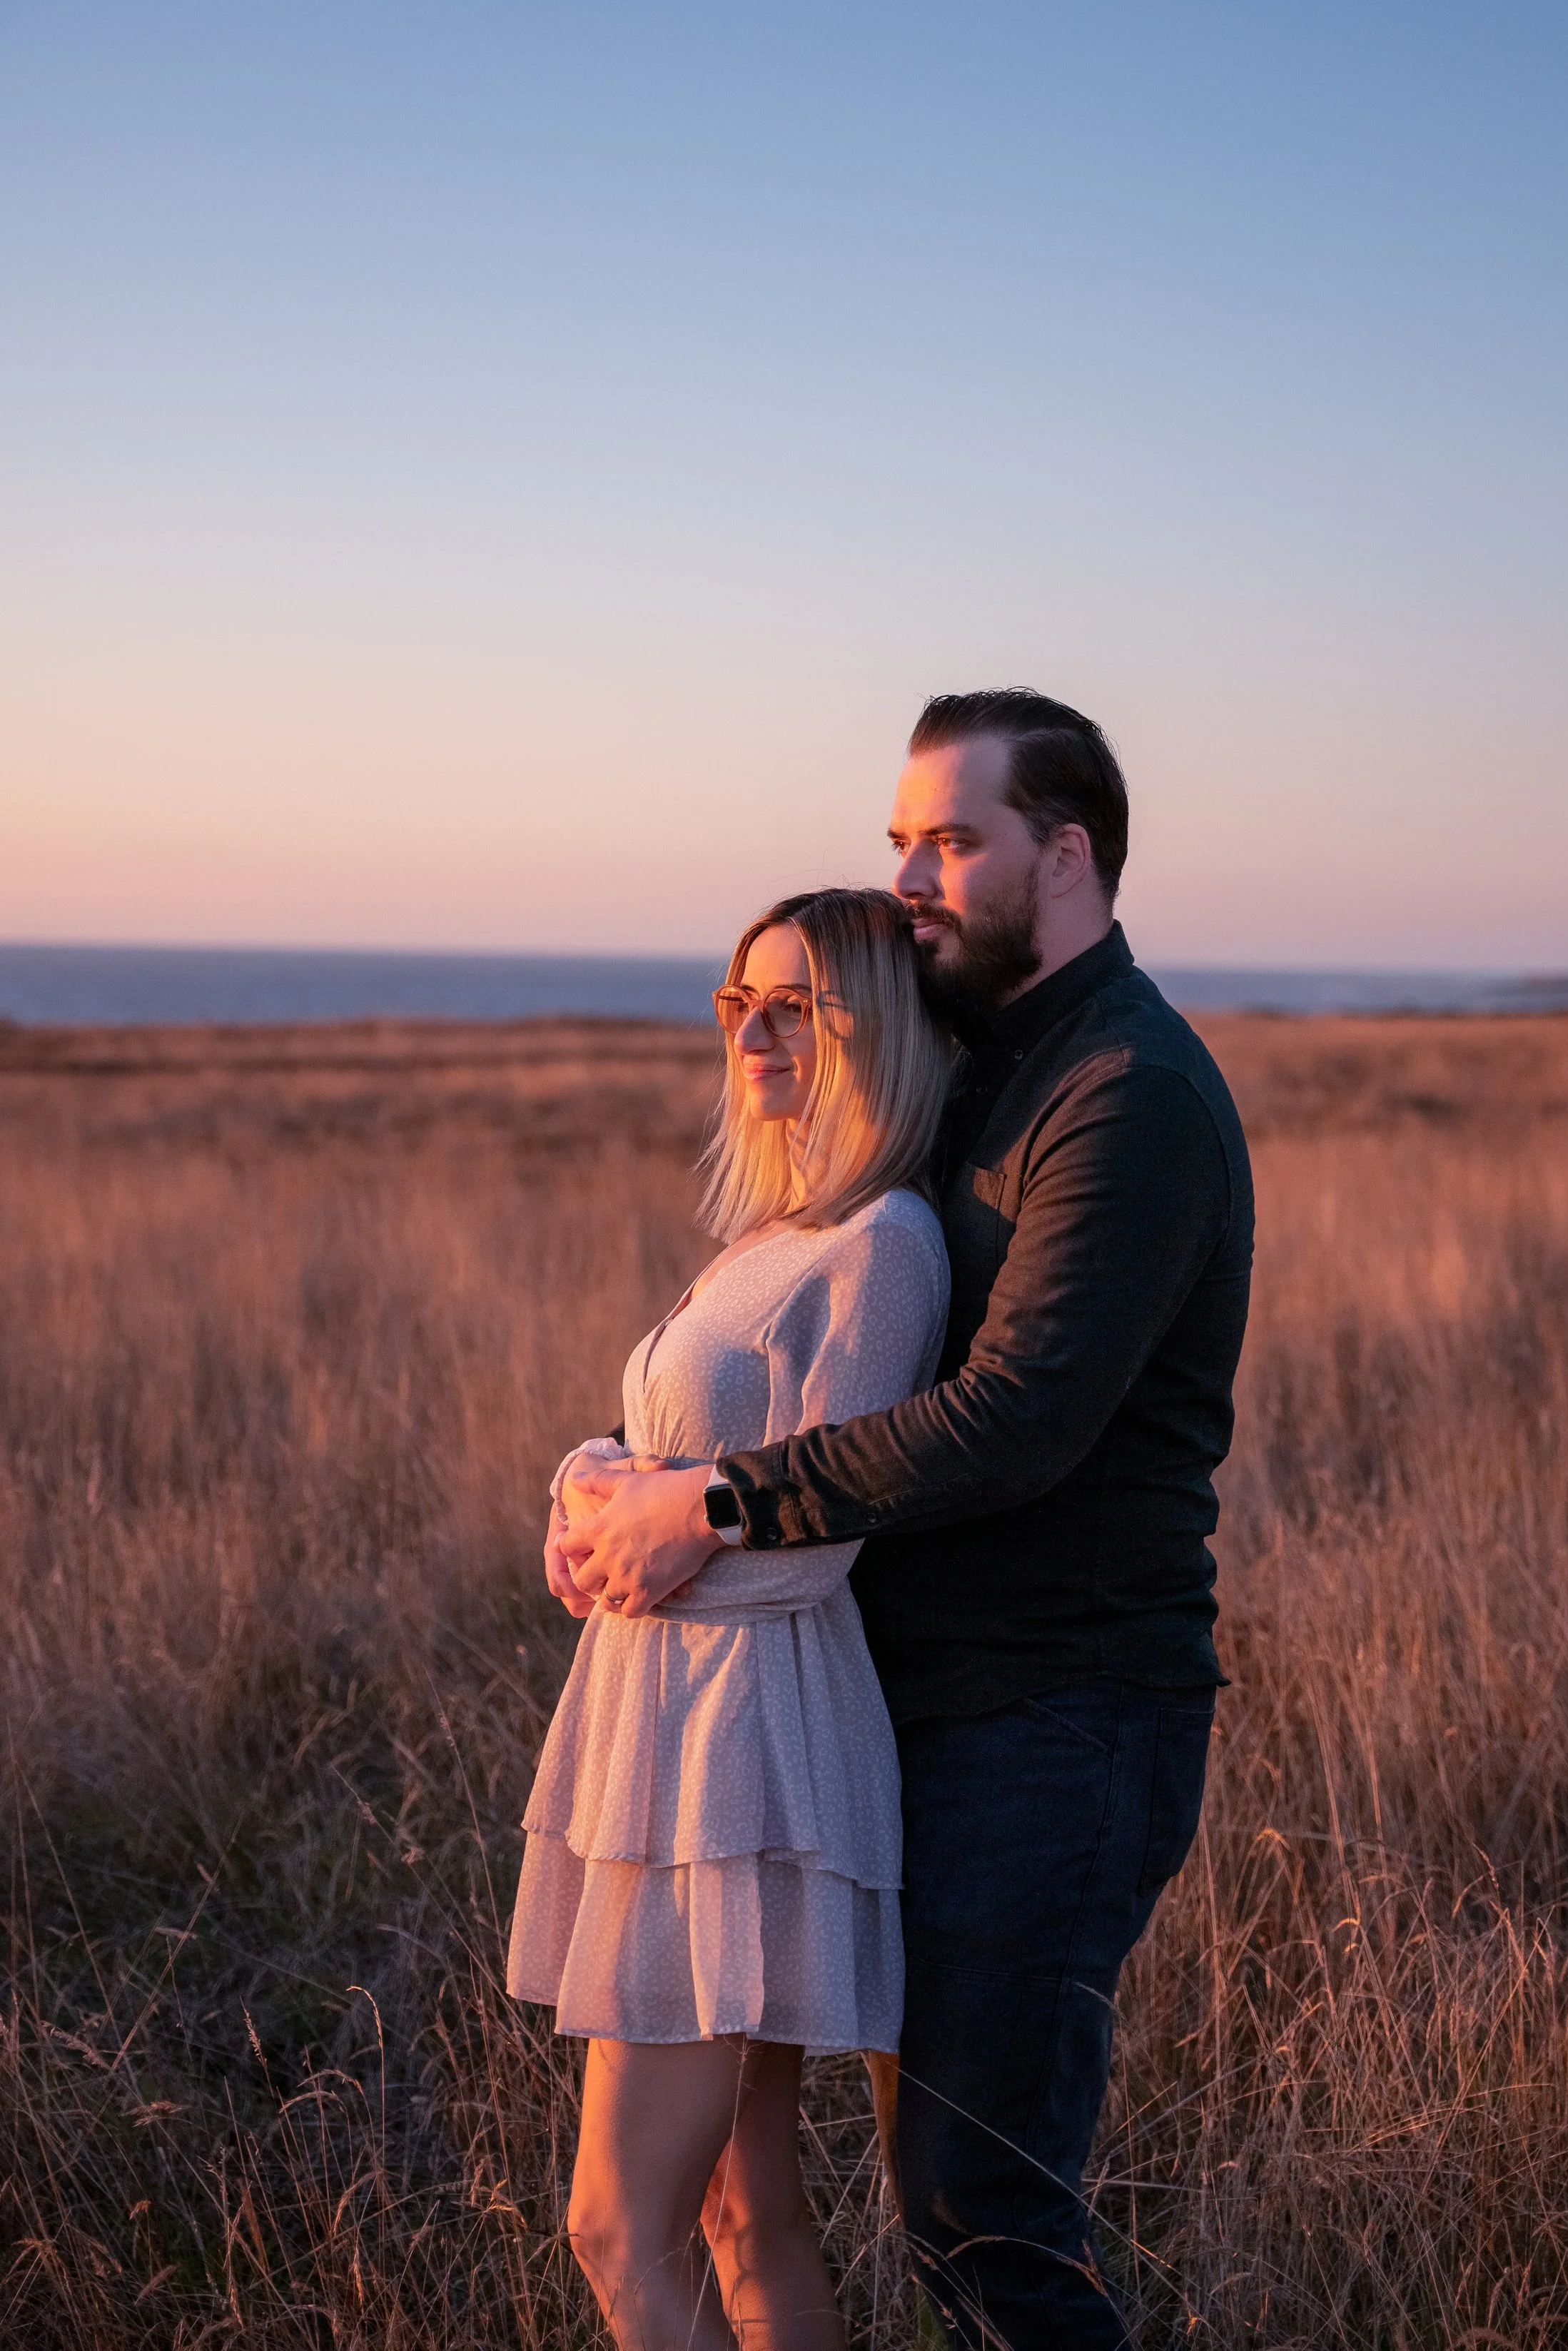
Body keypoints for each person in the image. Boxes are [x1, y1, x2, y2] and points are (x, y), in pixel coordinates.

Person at [566, 689, 1255, 2351]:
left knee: (979, 2210)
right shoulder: (972, 1076)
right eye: (899, 840)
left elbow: (1014, 1423)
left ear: (1066, 852)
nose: (912, 874)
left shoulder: (1123, 1092)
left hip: (1061, 1720)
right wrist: (618, 1460)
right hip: (893, 1715)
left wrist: (712, 1504)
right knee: (837, 2195)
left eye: (952, 839)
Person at [510, 885, 953, 2351]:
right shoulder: (774, 1226)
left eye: (794, 1007)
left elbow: (813, 1541)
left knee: (611, 2225)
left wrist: (647, 1549)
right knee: (733, 2212)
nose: (752, 1033)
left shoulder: (881, 1245)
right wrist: (594, 1490)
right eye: (735, 1003)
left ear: (869, 1029)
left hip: (743, 1752)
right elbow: (689, 1453)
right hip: (673, 1726)